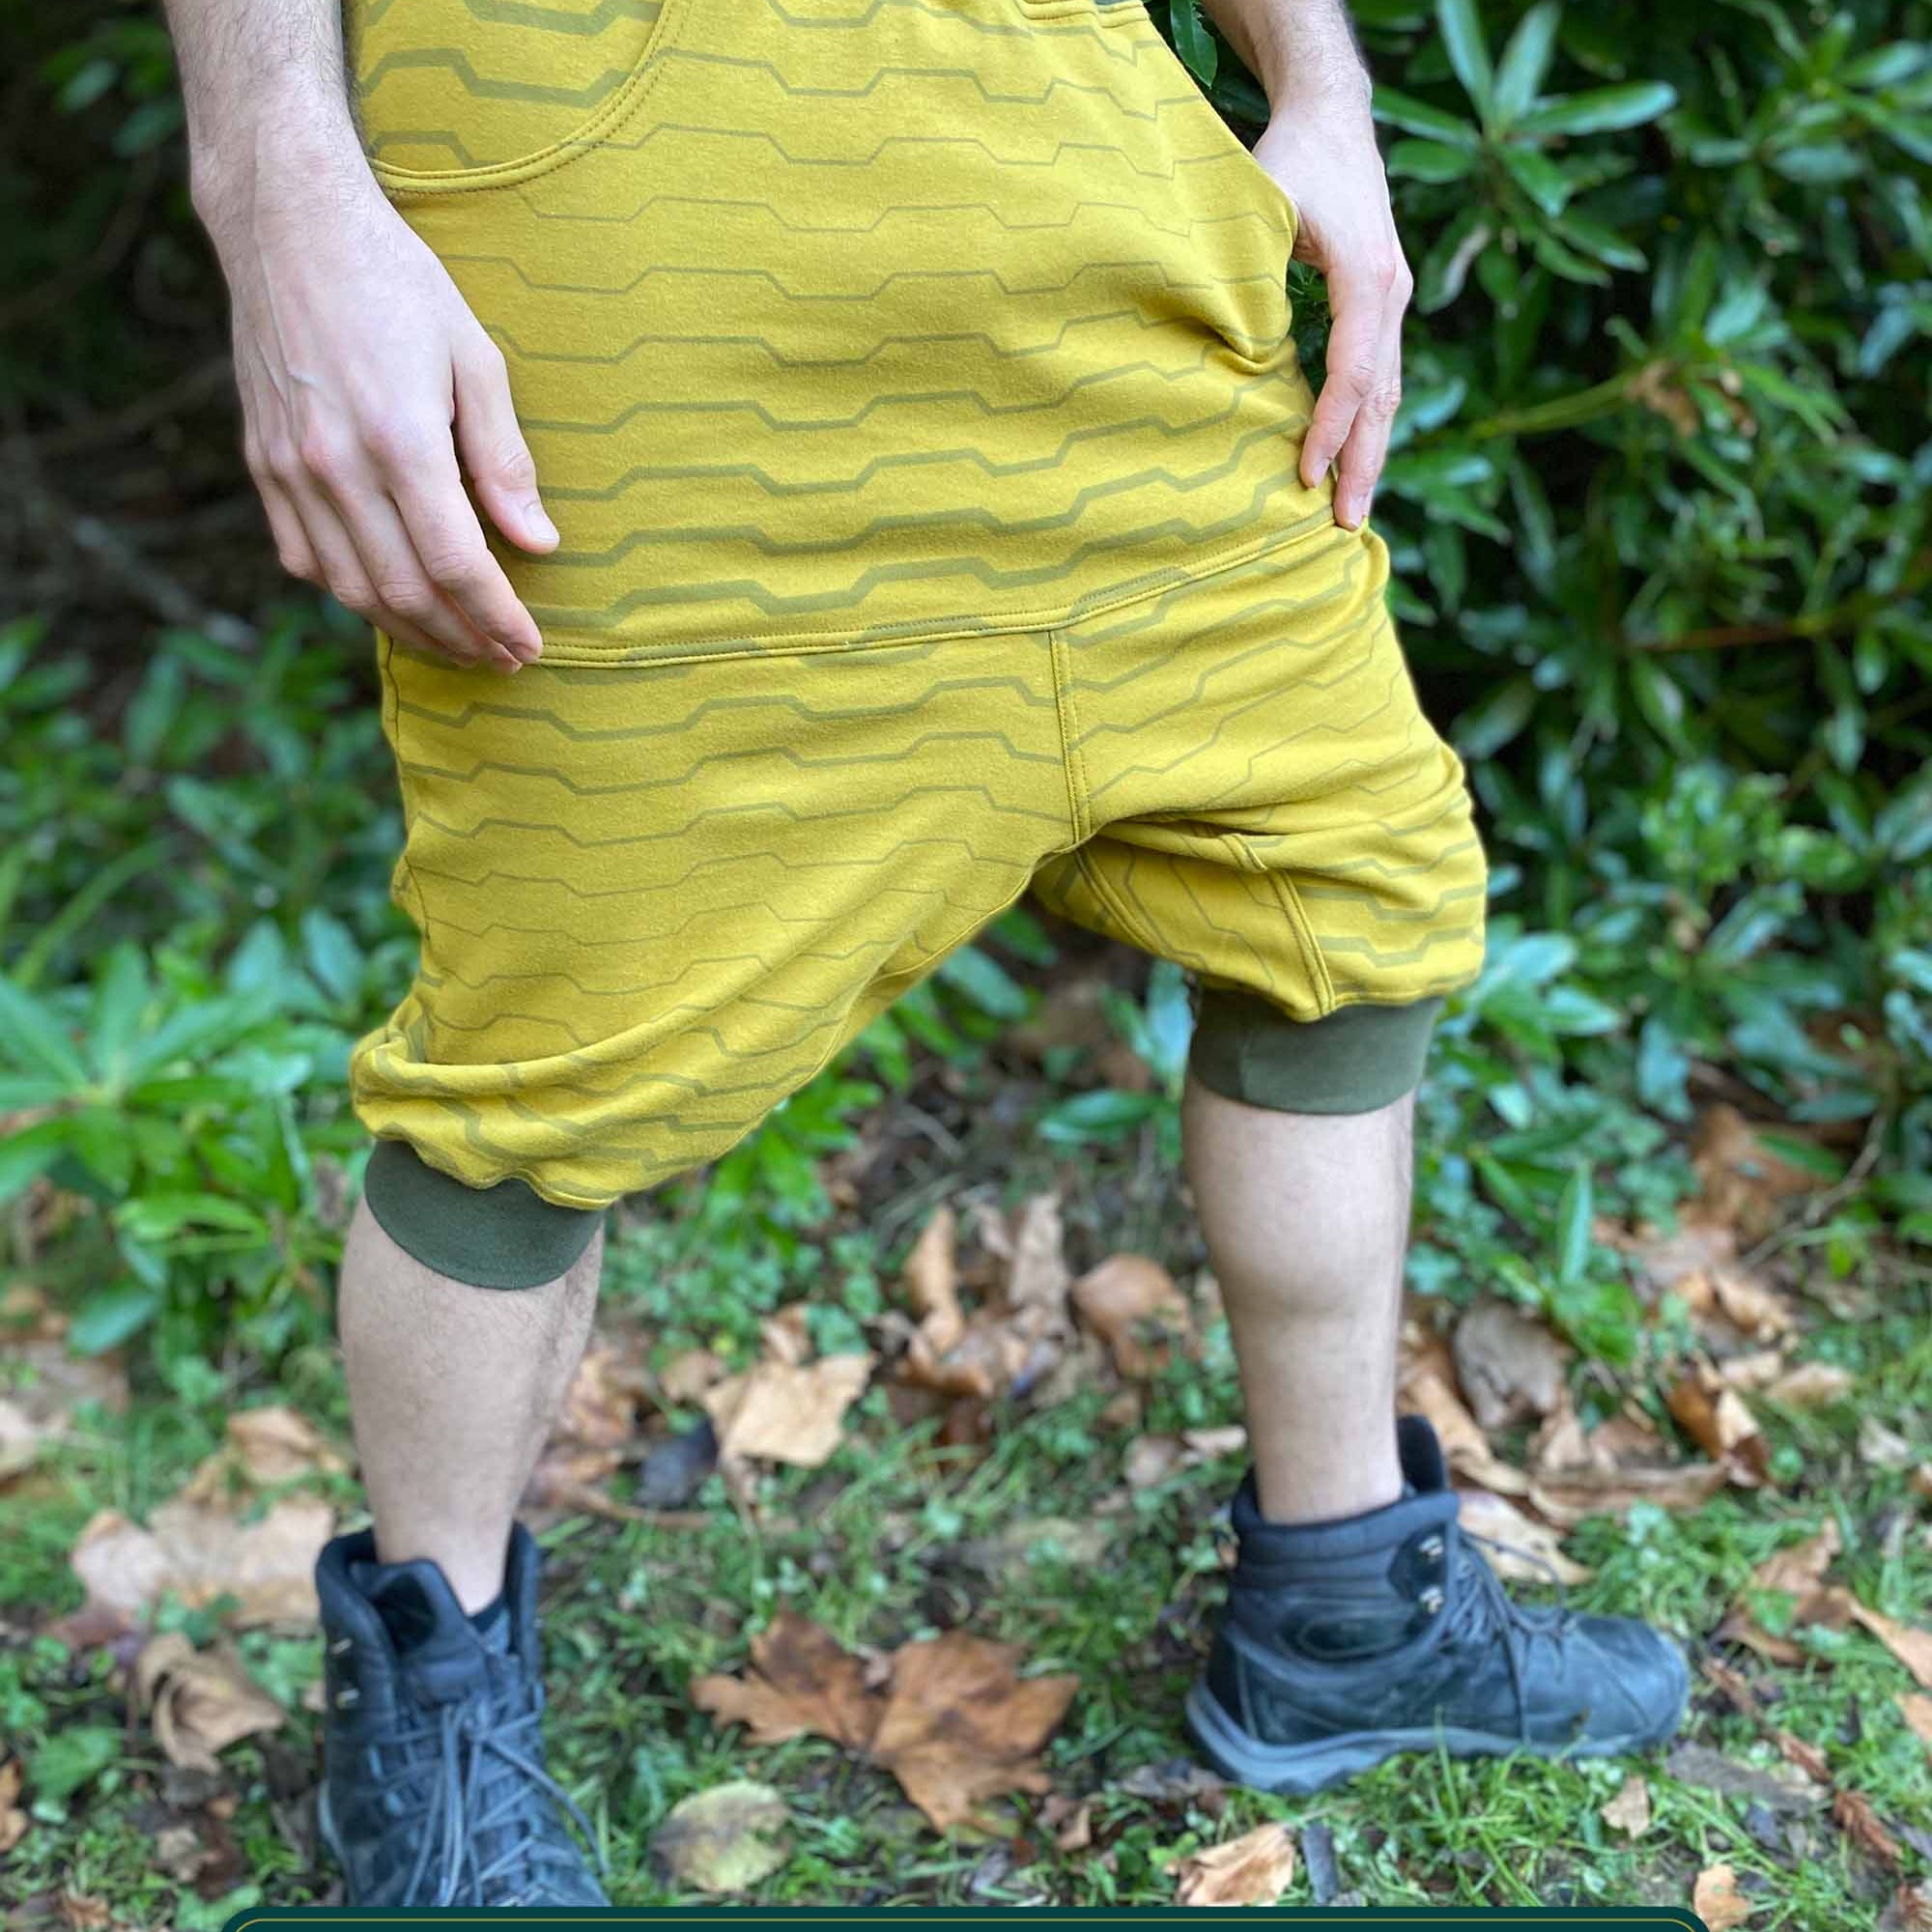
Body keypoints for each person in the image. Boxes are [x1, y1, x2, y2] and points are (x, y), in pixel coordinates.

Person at [159, 0, 1689, 1905]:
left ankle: (1343, 1603)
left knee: (1342, 878)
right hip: (635, 206)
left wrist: (1318, 83)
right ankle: (435, 1709)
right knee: (553, 1043)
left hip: (1089, 177)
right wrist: (280, 193)